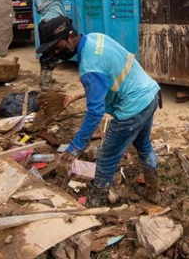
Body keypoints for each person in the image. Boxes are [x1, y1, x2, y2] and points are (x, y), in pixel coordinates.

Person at [37, 18, 162, 207]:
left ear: (70, 37)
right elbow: (106, 79)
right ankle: (153, 193)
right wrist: (78, 95)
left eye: (57, 46)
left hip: (133, 108)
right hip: (150, 94)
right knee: (143, 145)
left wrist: (75, 147)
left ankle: (96, 203)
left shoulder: (89, 65)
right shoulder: (95, 38)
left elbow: (95, 112)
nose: (56, 52)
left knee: (105, 157)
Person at [35, 0, 75, 90]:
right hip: (54, 22)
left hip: (43, 25)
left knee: (47, 51)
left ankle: (45, 79)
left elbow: (38, 10)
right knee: (70, 38)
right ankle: (47, 84)